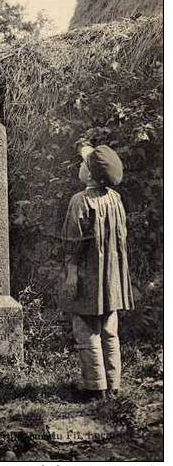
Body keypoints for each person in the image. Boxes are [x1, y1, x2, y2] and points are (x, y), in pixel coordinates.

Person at [59, 142, 135, 401]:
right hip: (112, 277)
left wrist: (71, 272)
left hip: (87, 276)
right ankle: (114, 385)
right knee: (109, 329)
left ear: (90, 175)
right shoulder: (115, 198)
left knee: (86, 329)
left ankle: (95, 387)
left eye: (83, 164)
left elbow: (73, 243)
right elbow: (122, 236)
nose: (79, 167)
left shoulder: (80, 201)